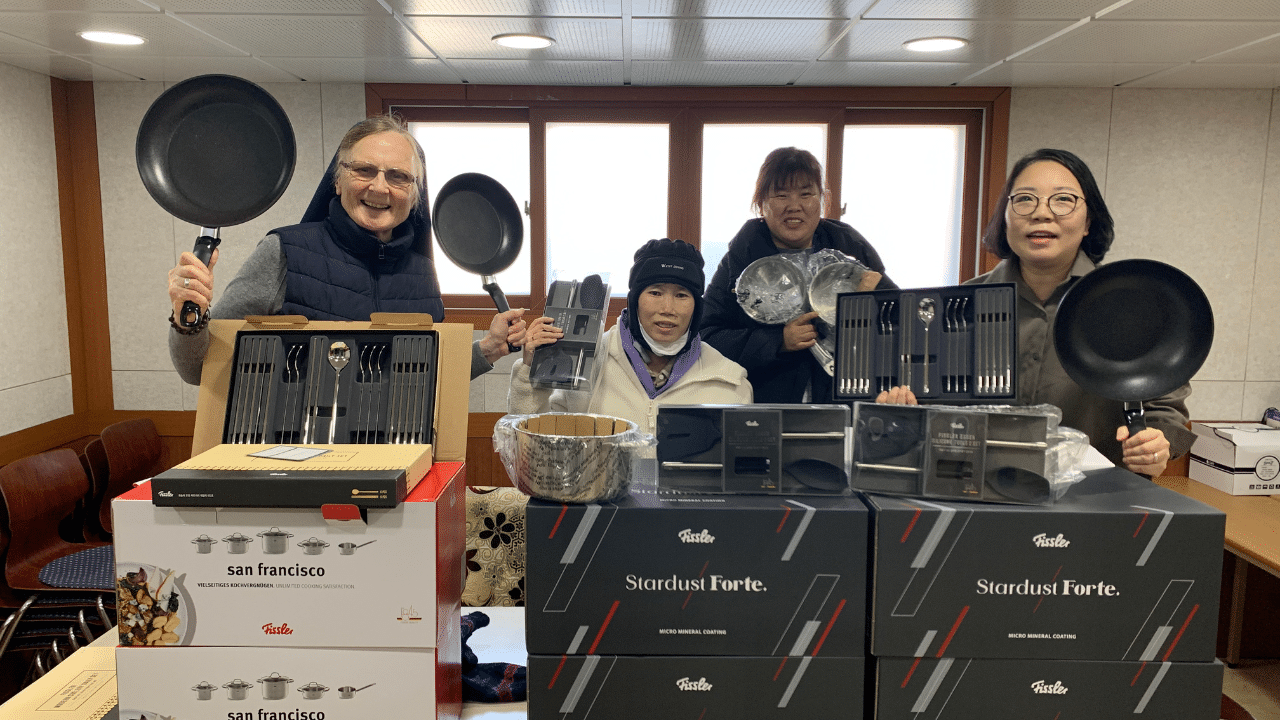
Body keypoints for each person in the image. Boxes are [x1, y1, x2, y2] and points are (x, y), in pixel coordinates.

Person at [877, 148, 1192, 477]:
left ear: (1088, 221)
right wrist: (902, 410)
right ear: (1005, 218)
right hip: (972, 489)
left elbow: (1165, 411)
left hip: (1094, 494)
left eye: (1063, 200)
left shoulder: (1129, 306)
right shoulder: (955, 308)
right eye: (1025, 199)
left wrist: (1157, 443)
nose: (1042, 213)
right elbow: (927, 404)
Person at [165, 115, 525, 385]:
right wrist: (188, 318)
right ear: (337, 181)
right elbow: (199, 369)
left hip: (398, 455)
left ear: (415, 194)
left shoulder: (420, 272)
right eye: (364, 170)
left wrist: (490, 347)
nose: (380, 188)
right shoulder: (284, 253)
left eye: (398, 176)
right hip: (293, 457)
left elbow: (428, 375)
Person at [701, 147, 896, 403]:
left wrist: (877, 294)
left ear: (821, 200)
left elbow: (898, 321)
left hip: (847, 404)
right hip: (765, 409)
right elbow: (707, 338)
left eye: (806, 194)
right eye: (781, 195)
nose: (794, 206)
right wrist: (777, 342)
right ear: (761, 204)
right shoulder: (742, 259)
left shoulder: (850, 249)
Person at [508, 238, 751, 434]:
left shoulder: (727, 380)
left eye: (681, 295)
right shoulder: (586, 363)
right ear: (634, 301)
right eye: (655, 293)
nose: (668, 309)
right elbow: (532, 445)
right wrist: (531, 371)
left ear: (697, 307)